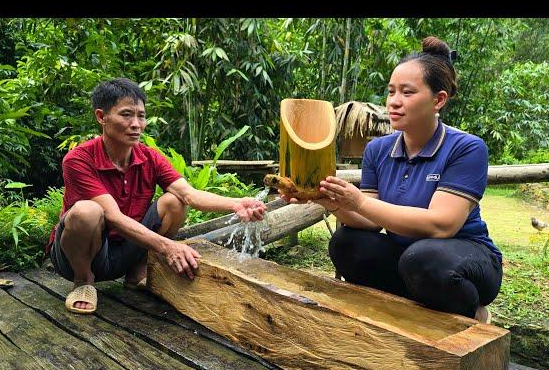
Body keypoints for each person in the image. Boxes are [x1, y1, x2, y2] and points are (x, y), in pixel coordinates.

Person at [283, 37, 502, 324]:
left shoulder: (467, 148)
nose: (394, 101)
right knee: (346, 243)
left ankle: (472, 313)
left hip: (465, 257)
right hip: (410, 254)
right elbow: (370, 219)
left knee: (422, 259)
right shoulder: (378, 149)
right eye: (391, 91)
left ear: (438, 100)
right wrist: (328, 201)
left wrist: (358, 200)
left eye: (407, 92)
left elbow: (442, 224)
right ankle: (410, 311)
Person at [48, 78, 267, 314]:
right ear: (101, 117)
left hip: (126, 249)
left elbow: (189, 194)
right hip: (77, 257)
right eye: (126, 115)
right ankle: (83, 282)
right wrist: (168, 247)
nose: (136, 124)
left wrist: (237, 203)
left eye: (141, 116)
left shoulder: (149, 157)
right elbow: (111, 216)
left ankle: (138, 271)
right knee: (86, 211)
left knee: (175, 201)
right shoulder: (78, 160)